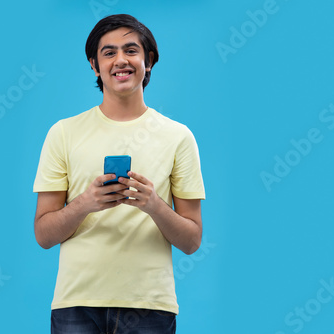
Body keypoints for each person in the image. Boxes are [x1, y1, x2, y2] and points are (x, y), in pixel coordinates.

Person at [33, 14, 205, 334]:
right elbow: (44, 235)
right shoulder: (63, 133)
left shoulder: (179, 137)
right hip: (77, 304)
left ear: (148, 60)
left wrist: (153, 204)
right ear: (95, 66)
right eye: (109, 53)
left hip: (151, 305)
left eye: (131, 50)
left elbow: (192, 240)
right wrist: (85, 202)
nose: (120, 60)